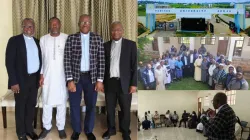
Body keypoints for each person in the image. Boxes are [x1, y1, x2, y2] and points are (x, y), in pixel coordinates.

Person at [64, 14, 105, 140]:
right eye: (82, 22)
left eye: (87, 22)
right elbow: (67, 60)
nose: (85, 24)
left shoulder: (98, 39)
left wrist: (99, 80)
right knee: (74, 105)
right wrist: (69, 80)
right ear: (78, 24)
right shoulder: (71, 38)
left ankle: (88, 130)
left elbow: (101, 60)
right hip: (76, 78)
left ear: (90, 24)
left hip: (91, 78)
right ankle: (76, 130)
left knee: (91, 105)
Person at [5, 18, 41, 140]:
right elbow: (9, 63)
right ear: (22, 27)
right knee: (21, 107)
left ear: (34, 28)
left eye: (30, 26)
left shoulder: (37, 41)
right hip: (20, 81)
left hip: (34, 79)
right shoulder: (15, 40)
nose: (28, 29)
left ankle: (29, 130)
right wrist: (13, 82)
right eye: (26, 26)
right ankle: (21, 133)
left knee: (31, 105)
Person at [102, 21, 137, 140]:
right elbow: (102, 65)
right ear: (110, 32)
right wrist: (100, 81)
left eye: (118, 29)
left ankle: (125, 131)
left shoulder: (131, 45)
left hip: (125, 83)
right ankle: (111, 129)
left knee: (125, 109)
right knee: (110, 108)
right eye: (113, 30)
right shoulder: (105, 45)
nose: (115, 32)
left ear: (122, 31)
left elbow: (134, 65)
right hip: (110, 82)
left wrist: (134, 84)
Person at [38, 17, 68, 139]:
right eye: (52, 24)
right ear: (49, 25)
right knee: (46, 102)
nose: (54, 26)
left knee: (61, 102)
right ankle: (47, 127)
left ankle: (61, 128)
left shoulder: (66, 38)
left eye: (56, 24)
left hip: (62, 76)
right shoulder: (43, 39)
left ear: (60, 25)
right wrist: (41, 74)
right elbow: (41, 59)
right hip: (47, 76)